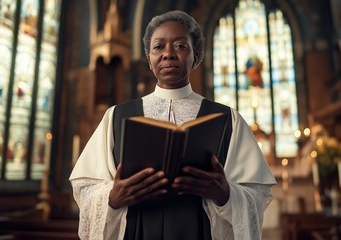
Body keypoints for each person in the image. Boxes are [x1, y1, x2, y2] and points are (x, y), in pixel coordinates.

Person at [70, 10, 276, 240]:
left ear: (195, 55)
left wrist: (226, 194)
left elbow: (257, 194)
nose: (168, 54)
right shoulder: (116, 117)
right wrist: (112, 197)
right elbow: (85, 188)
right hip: (137, 230)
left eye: (180, 46)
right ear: (149, 58)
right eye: (159, 47)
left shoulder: (229, 119)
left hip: (200, 230)